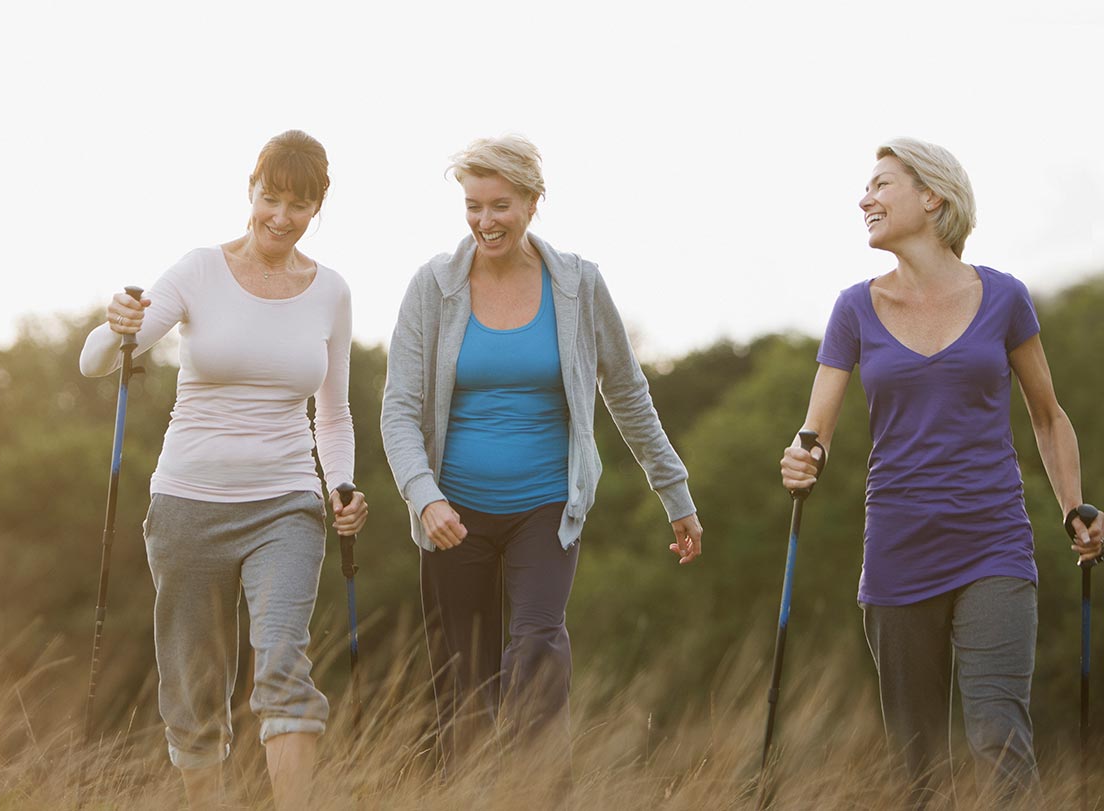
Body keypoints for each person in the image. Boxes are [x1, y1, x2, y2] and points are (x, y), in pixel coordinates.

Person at [779, 137, 1103, 803]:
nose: (864, 198)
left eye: (881, 184)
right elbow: (818, 427)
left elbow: (1047, 414)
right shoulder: (855, 308)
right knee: (917, 762)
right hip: (898, 550)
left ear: (932, 197)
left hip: (994, 542)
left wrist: (1074, 504)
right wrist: (801, 455)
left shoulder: (1005, 298)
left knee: (999, 735)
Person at [380, 134, 703, 783]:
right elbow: (398, 409)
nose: (484, 221)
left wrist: (677, 494)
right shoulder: (432, 288)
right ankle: (468, 793)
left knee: (535, 651)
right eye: (473, 205)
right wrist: (424, 494)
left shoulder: (578, 286)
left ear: (532, 201)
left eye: (500, 205)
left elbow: (629, 394)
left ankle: (532, 790)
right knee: (462, 685)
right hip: (453, 511)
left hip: (545, 505)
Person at [79, 129, 368, 811]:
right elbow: (98, 360)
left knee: (282, 663)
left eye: (298, 204)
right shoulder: (200, 271)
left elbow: (333, 412)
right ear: (251, 190)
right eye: (271, 197)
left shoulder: (330, 291)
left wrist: (341, 486)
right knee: (195, 682)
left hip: (287, 503)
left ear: (316, 209)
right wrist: (115, 323)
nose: (280, 215)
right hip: (188, 502)